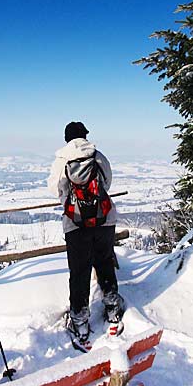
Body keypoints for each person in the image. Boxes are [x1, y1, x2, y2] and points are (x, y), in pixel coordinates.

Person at [46, 121, 123, 350]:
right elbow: (107, 182)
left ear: (67, 138)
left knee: (79, 272)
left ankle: (80, 322)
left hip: (75, 224)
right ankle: (112, 309)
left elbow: (55, 188)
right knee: (104, 262)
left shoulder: (62, 160)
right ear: (85, 136)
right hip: (104, 219)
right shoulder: (97, 156)